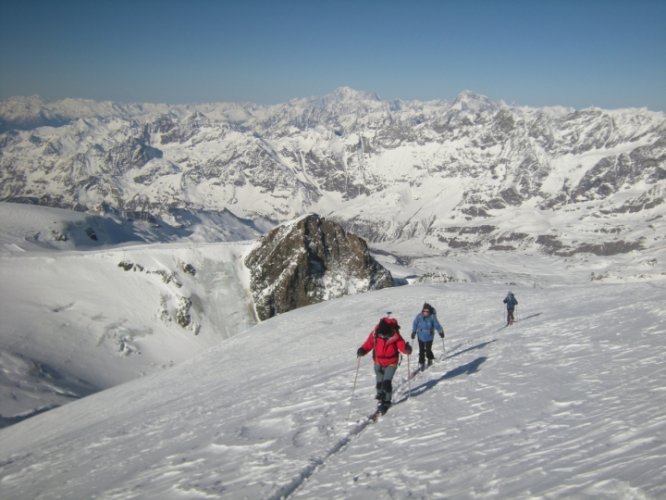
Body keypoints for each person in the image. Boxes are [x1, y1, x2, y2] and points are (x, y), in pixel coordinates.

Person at [357, 316, 412, 414]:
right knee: (379, 383)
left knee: (386, 383)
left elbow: (401, 345)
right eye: (381, 334)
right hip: (378, 362)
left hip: (391, 362)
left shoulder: (395, 335)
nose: (382, 336)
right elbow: (368, 344)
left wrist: (406, 349)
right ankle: (380, 398)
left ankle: (386, 402)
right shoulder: (375, 334)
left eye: (384, 334)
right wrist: (362, 350)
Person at [411, 303, 444, 371]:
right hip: (420, 335)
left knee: (428, 349)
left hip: (429, 336)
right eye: (424, 311)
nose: (425, 313)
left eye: (427, 311)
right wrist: (414, 332)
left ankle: (430, 358)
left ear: (429, 311)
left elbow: (437, 325)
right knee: (421, 350)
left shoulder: (432, 317)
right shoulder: (419, 316)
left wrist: (440, 332)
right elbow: (415, 323)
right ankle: (422, 363)